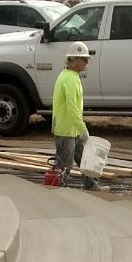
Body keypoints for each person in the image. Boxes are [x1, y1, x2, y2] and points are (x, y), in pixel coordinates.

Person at [52, 43, 97, 188]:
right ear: (75, 60)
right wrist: (83, 128)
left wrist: (79, 128)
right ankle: (56, 190)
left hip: (72, 129)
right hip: (66, 130)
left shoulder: (70, 76)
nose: (86, 63)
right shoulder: (70, 79)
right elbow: (72, 109)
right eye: (84, 59)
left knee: (84, 159)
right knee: (65, 165)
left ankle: (92, 185)